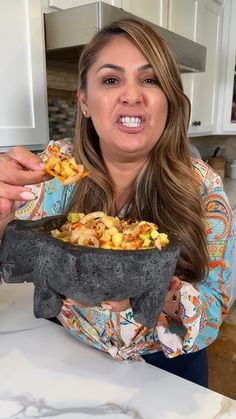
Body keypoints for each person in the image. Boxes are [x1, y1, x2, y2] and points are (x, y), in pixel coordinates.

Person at [0, 18, 233, 388]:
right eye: (111, 80)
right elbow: (13, 260)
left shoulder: (203, 186)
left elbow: (215, 309)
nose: (132, 95)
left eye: (150, 79)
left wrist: (157, 291)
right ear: (85, 102)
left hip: (169, 374)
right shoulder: (53, 168)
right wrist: (2, 216)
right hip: (64, 355)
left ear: (169, 101)